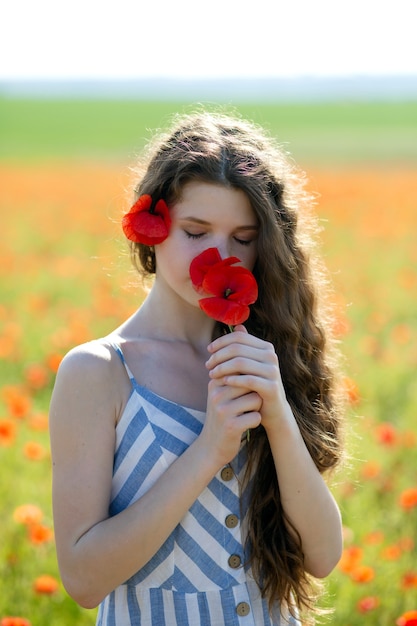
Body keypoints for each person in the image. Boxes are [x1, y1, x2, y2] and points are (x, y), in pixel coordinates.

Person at [49, 109, 345, 626]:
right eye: (196, 231)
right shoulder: (98, 372)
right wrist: (210, 449)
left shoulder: (265, 356)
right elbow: (83, 580)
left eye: (243, 238)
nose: (219, 257)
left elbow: (322, 555)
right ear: (153, 226)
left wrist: (275, 410)